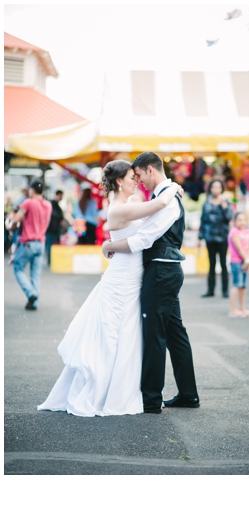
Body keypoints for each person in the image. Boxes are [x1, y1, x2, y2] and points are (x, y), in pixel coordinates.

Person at [37, 160, 181, 416]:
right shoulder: (117, 209)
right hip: (122, 277)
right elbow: (159, 204)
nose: (136, 181)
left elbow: (151, 216)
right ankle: (105, 391)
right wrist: (174, 188)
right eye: (131, 177)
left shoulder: (129, 204)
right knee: (116, 333)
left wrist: (108, 245)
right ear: (118, 181)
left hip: (133, 273)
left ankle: (121, 388)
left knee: (128, 333)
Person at [101, 152, 200, 414]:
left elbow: (143, 240)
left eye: (140, 175)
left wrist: (110, 244)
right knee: (175, 334)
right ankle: (188, 394)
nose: (139, 181)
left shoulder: (167, 199)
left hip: (161, 273)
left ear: (150, 170)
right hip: (164, 272)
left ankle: (152, 400)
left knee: (154, 335)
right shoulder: (163, 196)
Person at [10, 179, 52, 311]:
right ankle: (34, 302)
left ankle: (30, 293)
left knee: (18, 268)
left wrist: (13, 227)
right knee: (35, 274)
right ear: (43, 191)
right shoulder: (48, 205)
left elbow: (16, 219)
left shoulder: (28, 202)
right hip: (41, 243)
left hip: (28, 243)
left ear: (32, 190)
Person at [198, 179, 234, 298]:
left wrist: (224, 206)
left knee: (223, 264)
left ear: (222, 189)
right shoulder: (206, 203)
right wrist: (200, 237)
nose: (216, 190)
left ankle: (225, 291)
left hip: (223, 237)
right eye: (214, 187)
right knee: (211, 264)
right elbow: (203, 221)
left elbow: (229, 218)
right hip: (210, 237)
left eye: (218, 187)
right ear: (210, 188)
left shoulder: (226, 202)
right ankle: (210, 290)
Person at [228, 212, 249, 318]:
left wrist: (248, 260)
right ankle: (233, 309)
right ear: (234, 221)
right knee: (237, 285)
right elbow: (239, 248)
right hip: (236, 262)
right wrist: (246, 260)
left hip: (246, 262)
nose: (242, 222)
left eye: (244, 219)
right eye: (239, 220)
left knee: (243, 286)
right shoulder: (234, 232)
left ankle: (242, 308)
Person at [45, 190, 65, 266]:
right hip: (51, 229)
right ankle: (50, 261)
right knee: (51, 245)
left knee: (52, 245)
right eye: (61, 196)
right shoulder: (52, 204)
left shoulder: (55, 204)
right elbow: (55, 215)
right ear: (58, 195)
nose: (62, 197)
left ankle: (52, 260)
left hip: (54, 229)